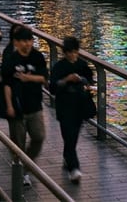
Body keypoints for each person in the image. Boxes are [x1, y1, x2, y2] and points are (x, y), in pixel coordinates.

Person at [0, 26, 48, 187]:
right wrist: (9, 106)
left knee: (39, 137)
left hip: (35, 105)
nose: (26, 44)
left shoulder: (38, 57)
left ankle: (25, 167)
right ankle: (21, 172)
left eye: (29, 40)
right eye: (23, 41)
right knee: (18, 144)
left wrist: (28, 78)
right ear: (16, 42)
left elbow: (44, 78)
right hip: (17, 107)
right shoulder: (11, 60)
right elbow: (6, 84)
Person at [49, 36, 95, 184]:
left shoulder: (82, 65)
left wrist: (83, 81)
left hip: (79, 105)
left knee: (73, 136)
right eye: (69, 52)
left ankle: (68, 157)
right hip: (64, 106)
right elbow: (53, 88)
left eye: (74, 52)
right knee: (68, 135)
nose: (72, 55)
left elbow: (90, 80)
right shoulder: (59, 67)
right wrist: (67, 80)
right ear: (65, 52)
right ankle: (73, 167)